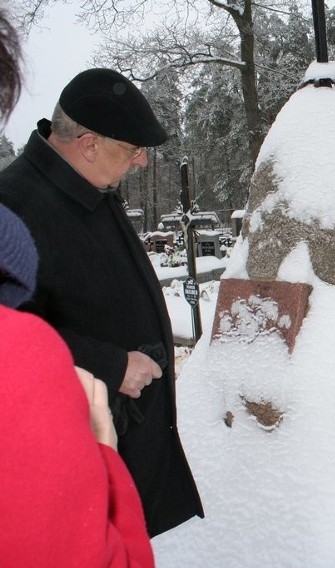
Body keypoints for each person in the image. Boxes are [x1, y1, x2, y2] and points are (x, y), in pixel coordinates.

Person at [0, 67, 203, 536]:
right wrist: (111, 365)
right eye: (132, 150)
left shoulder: (87, 183)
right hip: (76, 449)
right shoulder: (13, 208)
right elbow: (7, 338)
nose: (141, 163)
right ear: (89, 144)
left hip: (125, 435)